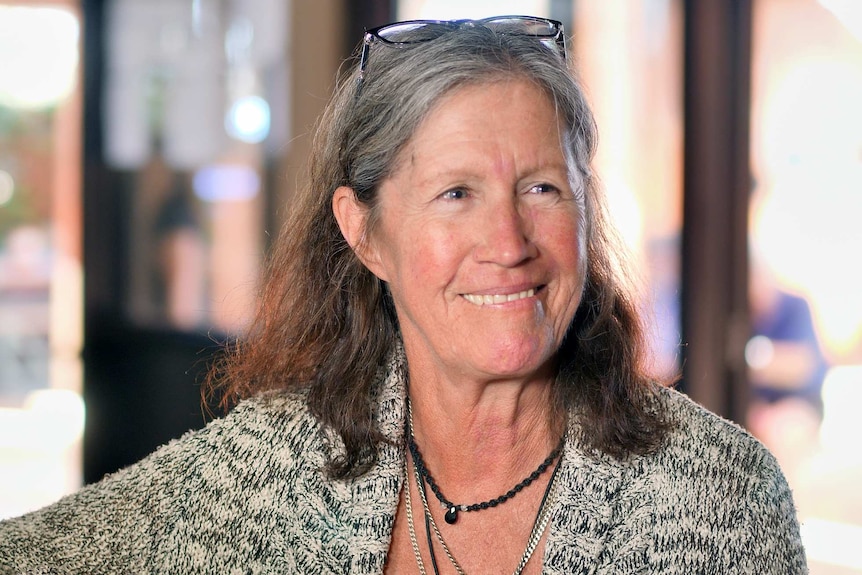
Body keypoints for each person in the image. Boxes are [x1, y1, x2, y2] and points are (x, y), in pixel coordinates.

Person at [0, 15, 806, 573]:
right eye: (457, 193)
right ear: (365, 232)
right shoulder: (269, 469)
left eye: (543, 189)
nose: (509, 244)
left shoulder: (722, 496)